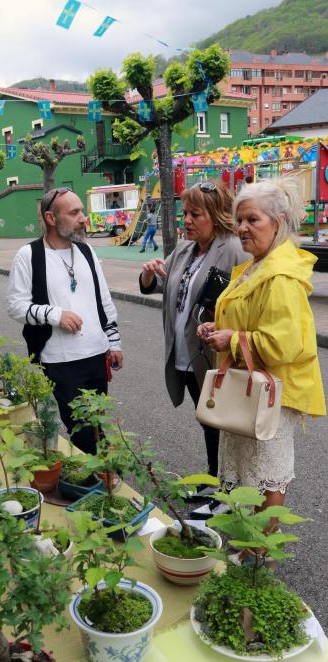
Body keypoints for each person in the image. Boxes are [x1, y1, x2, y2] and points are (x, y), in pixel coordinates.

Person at [197, 178, 325, 509]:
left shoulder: (280, 276)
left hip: (272, 393)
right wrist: (221, 327)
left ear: (278, 223)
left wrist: (231, 339)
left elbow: (284, 343)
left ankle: (264, 542)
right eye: (239, 219)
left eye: (252, 219)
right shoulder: (257, 266)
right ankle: (250, 535)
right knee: (251, 471)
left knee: (268, 475)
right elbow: (254, 318)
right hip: (253, 387)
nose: (242, 228)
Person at [139, 181, 247, 478]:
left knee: (219, 423)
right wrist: (148, 275)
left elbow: (248, 303)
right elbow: (160, 284)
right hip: (185, 355)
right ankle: (217, 479)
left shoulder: (234, 249)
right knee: (207, 421)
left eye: (195, 214)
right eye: (184, 213)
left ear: (216, 215)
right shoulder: (186, 249)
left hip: (215, 358)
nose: (186, 220)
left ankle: (223, 485)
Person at [7, 187, 123, 454]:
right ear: (51, 218)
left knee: (97, 423)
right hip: (60, 359)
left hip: (97, 353)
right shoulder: (29, 255)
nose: (83, 218)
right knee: (81, 429)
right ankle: (97, 472)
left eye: (82, 211)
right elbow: (15, 306)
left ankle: (101, 471)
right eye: (74, 213)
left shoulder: (86, 251)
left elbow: (103, 300)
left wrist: (114, 342)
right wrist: (55, 315)